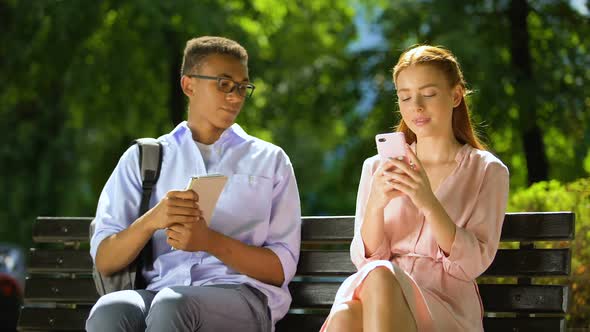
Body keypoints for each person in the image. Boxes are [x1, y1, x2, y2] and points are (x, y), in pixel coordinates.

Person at [86, 36, 301, 332]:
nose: (236, 96)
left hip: (244, 297)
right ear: (189, 85)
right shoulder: (144, 158)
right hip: (160, 292)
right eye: (224, 84)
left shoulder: (270, 160)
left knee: (173, 306)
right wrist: (152, 220)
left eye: (242, 87)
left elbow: (280, 269)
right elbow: (105, 260)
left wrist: (208, 241)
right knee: (111, 310)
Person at [321, 45, 509, 332]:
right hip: (379, 293)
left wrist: (428, 202)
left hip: (447, 307)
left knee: (377, 280)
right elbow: (364, 260)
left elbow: (471, 264)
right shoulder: (376, 167)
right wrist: (376, 204)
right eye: (405, 97)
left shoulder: (487, 171)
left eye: (429, 94)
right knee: (349, 310)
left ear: (456, 95)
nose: (416, 106)